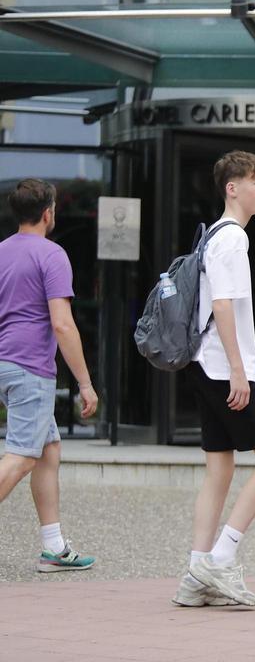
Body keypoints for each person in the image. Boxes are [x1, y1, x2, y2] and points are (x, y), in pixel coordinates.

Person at [175, 151, 255, 609]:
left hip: (208, 366)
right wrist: (240, 373)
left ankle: (193, 577)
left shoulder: (215, 237)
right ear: (232, 187)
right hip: (225, 370)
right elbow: (223, 306)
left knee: (219, 470)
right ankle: (220, 559)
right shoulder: (232, 241)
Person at [0, 179, 99, 573]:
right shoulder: (52, 254)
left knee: (47, 450)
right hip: (29, 369)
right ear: (48, 213)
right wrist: (86, 384)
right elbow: (62, 325)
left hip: (6, 362)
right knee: (21, 458)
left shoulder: (2, 251)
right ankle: (54, 548)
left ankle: (53, 547)